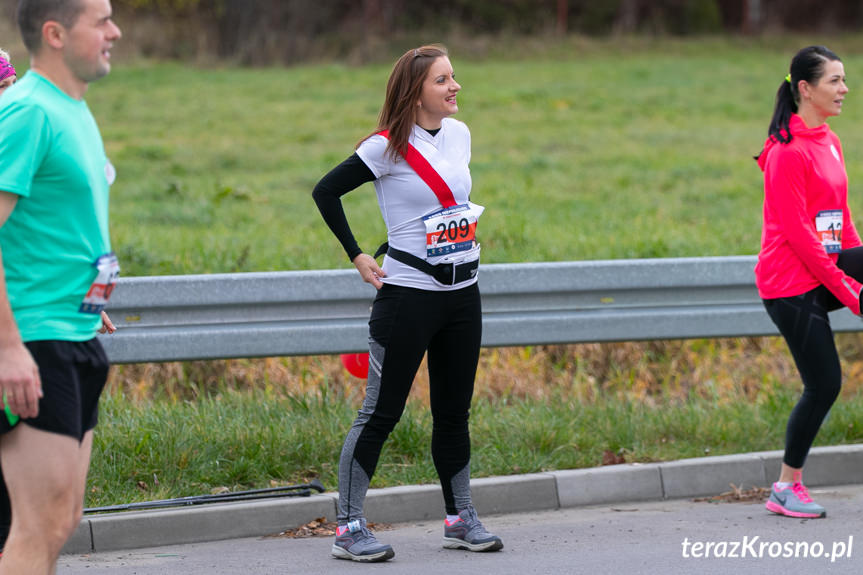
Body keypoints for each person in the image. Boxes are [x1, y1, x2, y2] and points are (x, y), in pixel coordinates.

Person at [313, 44, 502, 562]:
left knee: (454, 413)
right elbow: (325, 192)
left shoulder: (460, 135)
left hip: (462, 294)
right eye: (443, 80)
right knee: (380, 413)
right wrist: (356, 255)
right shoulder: (385, 148)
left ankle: (460, 518)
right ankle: (349, 528)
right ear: (416, 91)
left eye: (454, 76)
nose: (455, 86)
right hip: (407, 298)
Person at [0, 0, 121, 573]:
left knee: (62, 520)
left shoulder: (72, 109)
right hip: (32, 339)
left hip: (75, 329)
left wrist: (86, 294)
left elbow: (47, 229)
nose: (114, 32)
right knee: (37, 525)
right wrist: (6, 348)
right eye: (100, 21)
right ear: (54, 33)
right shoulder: (26, 112)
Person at [755, 45, 862, 519]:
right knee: (824, 384)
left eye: (844, 80)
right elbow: (800, 238)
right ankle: (785, 487)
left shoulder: (830, 141)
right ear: (805, 88)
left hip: (823, 265)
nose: (844, 89)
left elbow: (842, 222)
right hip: (788, 284)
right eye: (834, 81)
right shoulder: (786, 153)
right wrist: (853, 294)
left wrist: (857, 266)